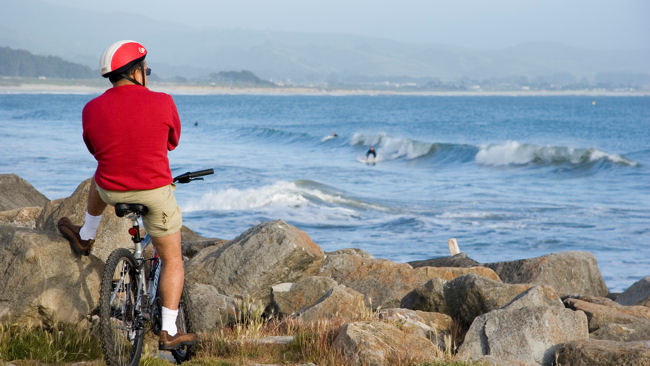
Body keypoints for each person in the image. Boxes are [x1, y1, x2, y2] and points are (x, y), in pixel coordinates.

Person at [57, 40, 196, 351]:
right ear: (135, 72)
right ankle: (169, 331)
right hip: (154, 193)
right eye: (145, 70)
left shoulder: (91, 108)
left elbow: (95, 149)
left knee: (99, 176)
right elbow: (172, 141)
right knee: (173, 259)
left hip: (111, 188)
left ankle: (87, 234)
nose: (147, 74)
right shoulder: (163, 101)